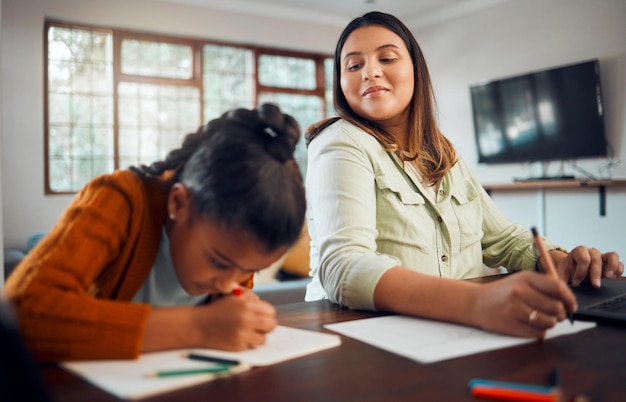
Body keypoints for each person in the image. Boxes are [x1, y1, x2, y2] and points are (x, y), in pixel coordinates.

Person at [304, 11, 624, 339]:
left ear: (415, 69)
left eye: (386, 58)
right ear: (341, 84)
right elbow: (343, 266)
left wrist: (563, 263)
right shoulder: (342, 140)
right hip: (372, 338)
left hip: (457, 334)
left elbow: (504, 240)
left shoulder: (443, 152)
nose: (370, 72)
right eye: (354, 65)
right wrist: (478, 302)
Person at [3, 103, 306, 362]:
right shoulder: (120, 200)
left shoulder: (233, 254)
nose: (230, 283)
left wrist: (240, 312)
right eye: (218, 262)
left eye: (250, 270)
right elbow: (22, 312)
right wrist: (198, 327)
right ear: (179, 202)